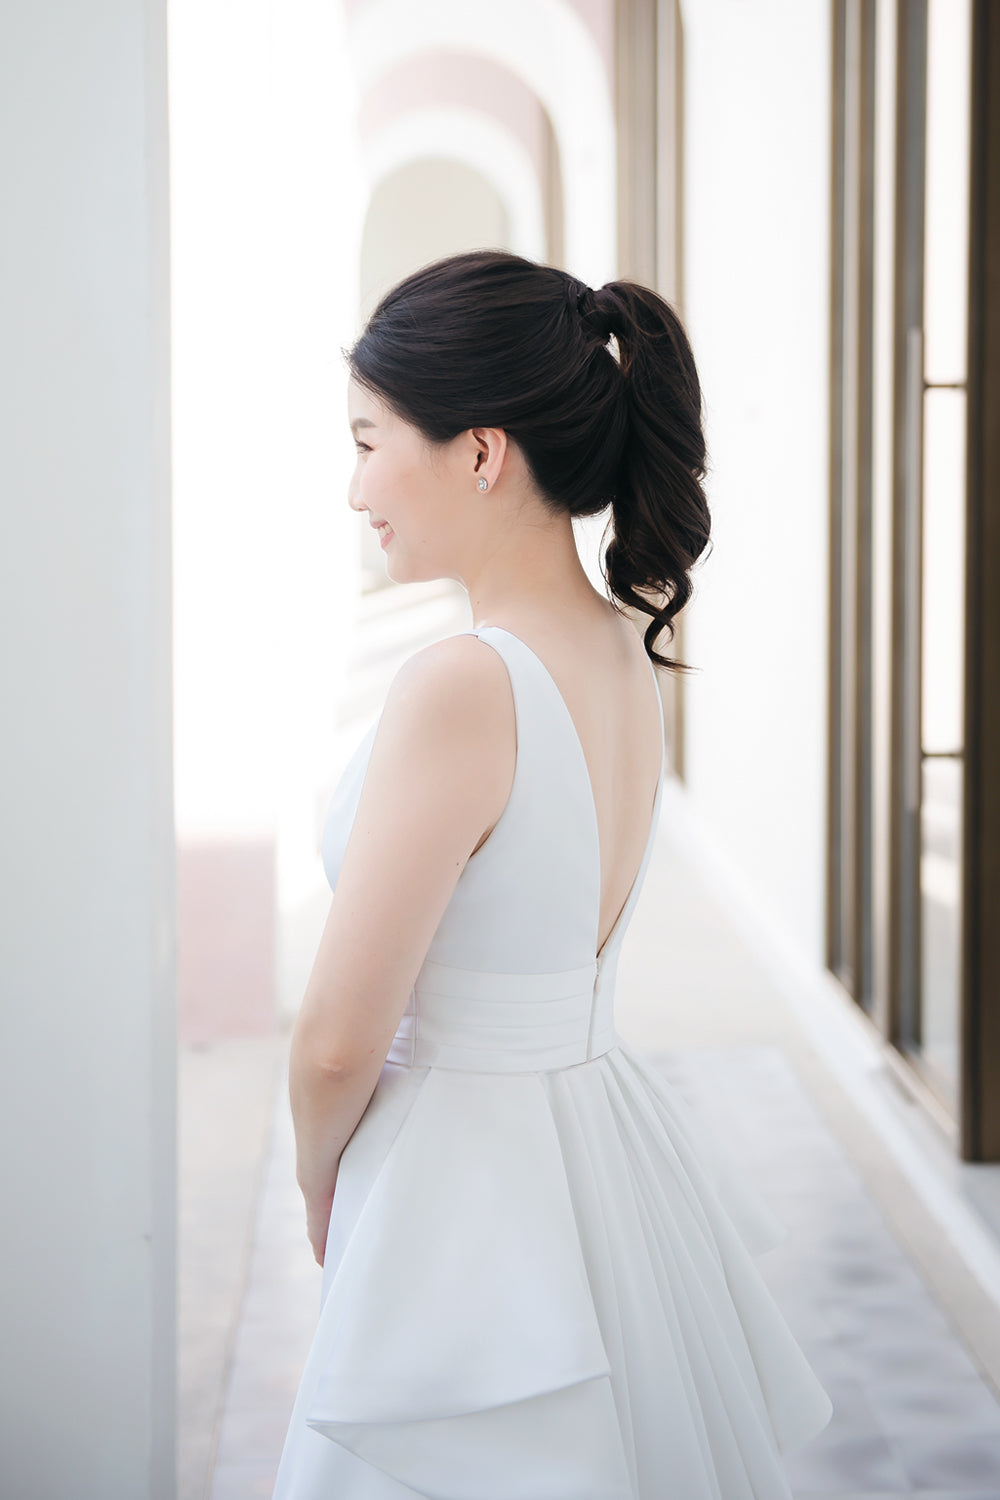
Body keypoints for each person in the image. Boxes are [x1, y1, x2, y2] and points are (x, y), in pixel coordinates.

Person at [271, 249, 833, 1499]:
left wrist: (320, 1187)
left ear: (479, 452)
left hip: (465, 1187)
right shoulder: (618, 653)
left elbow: (331, 1041)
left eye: (368, 441)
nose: (355, 483)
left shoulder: (464, 685)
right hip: (594, 1148)